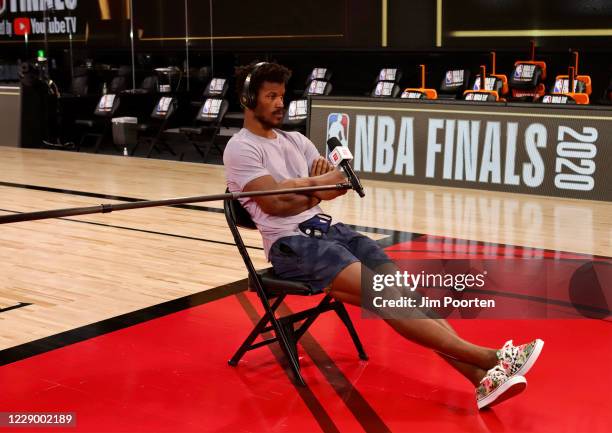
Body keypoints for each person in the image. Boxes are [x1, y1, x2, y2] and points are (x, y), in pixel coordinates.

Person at [223, 62, 544, 410]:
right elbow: (278, 205)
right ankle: (494, 357)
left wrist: (309, 186)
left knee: (404, 295)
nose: (280, 103)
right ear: (247, 98)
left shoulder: (297, 140)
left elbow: (340, 182)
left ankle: (481, 379)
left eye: (282, 96)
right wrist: (315, 187)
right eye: (271, 96)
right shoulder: (241, 149)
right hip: (294, 245)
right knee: (388, 299)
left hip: (332, 231)